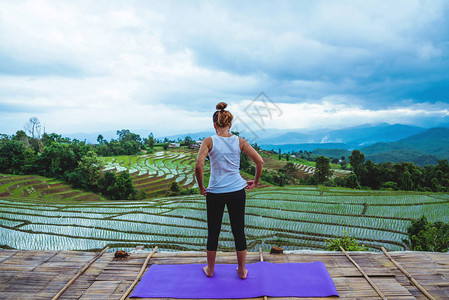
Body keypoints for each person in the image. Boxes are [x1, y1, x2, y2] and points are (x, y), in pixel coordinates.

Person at [195, 102, 264, 279]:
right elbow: (260, 162)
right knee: (238, 230)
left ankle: (210, 270)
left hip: (215, 193)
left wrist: (202, 187)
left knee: (213, 231)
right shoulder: (240, 142)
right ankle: (241, 271)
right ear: (230, 124)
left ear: (214, 124)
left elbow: (198, 166)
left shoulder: (209, 141)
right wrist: (255, 182)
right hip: (237, 191)